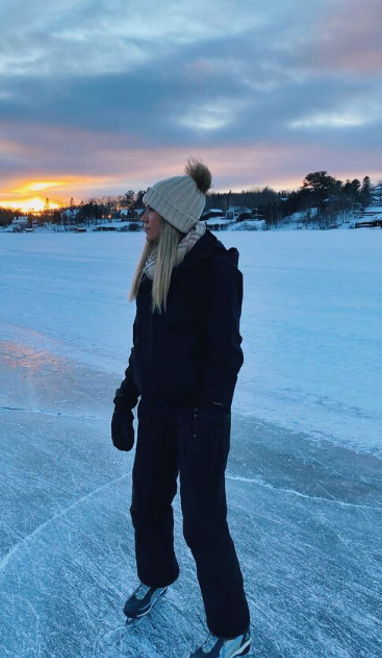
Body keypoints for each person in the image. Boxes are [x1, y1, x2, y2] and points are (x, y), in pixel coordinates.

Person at [112, 160, 250, 656]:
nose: (142, 216)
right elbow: (142, 346)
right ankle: (155, 577)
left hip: (198, 418)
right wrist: (125, 399)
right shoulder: (155, 268)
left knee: (203, 523)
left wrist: (210, 416)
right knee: (146, 504)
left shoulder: (215, 270)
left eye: (150, 209)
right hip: (156, 412)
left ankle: (234, 630)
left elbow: (226, 355)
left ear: (171, 216)